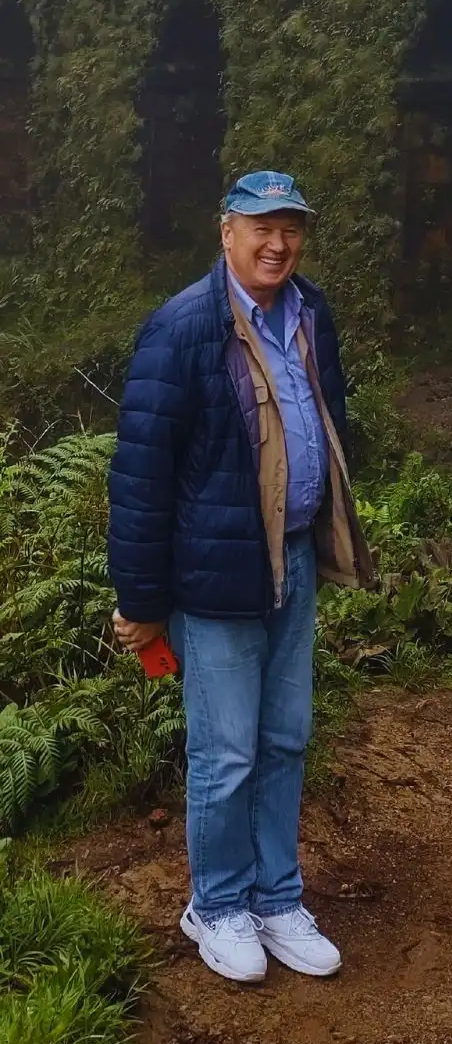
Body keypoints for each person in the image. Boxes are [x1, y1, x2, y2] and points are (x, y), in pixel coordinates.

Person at [108, 170, 374, 986]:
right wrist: (142, 604)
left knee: (285, 738)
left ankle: (275, 896)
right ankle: (216, 906)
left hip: (291, 560)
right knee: (226, 754)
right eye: (261, 226)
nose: (277, 242)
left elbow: (329, 418)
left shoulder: (311, 312)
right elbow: (142, 477)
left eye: (290, 227)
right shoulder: (183, 328)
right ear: (226, 232)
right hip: (216, 578)